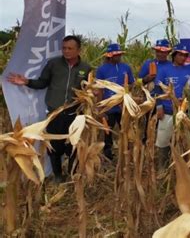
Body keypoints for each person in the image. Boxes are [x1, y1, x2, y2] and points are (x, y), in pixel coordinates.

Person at [7, 35, 91, 183]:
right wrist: (26, 81)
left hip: (75, 114)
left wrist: (94, 92)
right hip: (55, 113)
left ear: (78, 50)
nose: (66, 51)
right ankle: (58, 176)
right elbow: (42, 83)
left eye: (70, 48)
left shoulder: (86, 68)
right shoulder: (53, 64)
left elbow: (89, 90)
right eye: (64, 48)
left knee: (74, 146)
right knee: (54, 147)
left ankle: (73, 176)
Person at [155, 44, 190, 172]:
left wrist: (188, 99)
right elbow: (157, 89)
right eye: (180, 55)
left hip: (182, 112)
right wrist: (159, 107)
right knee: (163, 140)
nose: (183, 58)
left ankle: (181, 168)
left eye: (185, 56)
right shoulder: (164, 69)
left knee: (182, 140)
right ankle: (162, 167)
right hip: (167, 111)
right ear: (174, 55)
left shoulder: (188, 71)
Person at [96, 43, 135, 160]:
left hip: (123, 106)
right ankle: (108, 154)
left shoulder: (126, 68)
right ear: (109, 56)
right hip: (108, 106)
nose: (118, 57)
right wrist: (100, 108)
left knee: (125, 129)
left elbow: (131, 84)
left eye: (119, 54)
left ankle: (126, 152)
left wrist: (127, 94)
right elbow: (100, 89)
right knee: (108, 130)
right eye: (115, 55)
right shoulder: (102, 70)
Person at [138, 39, 172, 143]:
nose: (161, 54)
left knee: (164, 126)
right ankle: (148, 144)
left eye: (163, 52)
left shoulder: (171, 65)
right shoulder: (148, 63)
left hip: (167, 101)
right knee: (150, 125)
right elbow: (138, 81)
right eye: (158, 51)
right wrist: (145, 79)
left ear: (167, 53)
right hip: (151, 100)